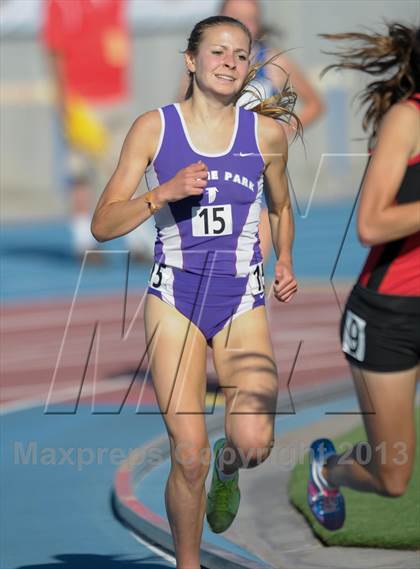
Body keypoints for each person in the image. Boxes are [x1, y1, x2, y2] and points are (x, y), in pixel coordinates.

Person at [92, 15, 298, 568]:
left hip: (241, 299)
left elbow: (280, 207)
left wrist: (283, 258)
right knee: (188, 456)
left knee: (253, 442)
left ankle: (227, 473)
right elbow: (104, 223)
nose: (228, 61)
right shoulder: (154, 128)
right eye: (217, 52)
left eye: (239, 54)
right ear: (191, 61)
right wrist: (163, 191)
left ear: (249, 66)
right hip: (175, 301)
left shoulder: (265, 134)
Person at [307, 23, 420, 531]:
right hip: (389, 316)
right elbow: (372, 225)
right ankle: (327, 469)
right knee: (393, 478)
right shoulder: (407, 119)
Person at [42, 0, 154, 261]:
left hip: (117, 97)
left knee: (126, 166)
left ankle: (135, 237)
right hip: (81, 101)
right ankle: (83, 240)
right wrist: (64, 102)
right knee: (79, 171)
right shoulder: (60, 4)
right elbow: (55, 51)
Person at [219, 0, 324, 260]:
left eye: (250, 18)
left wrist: (281, 131)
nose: (243, 24)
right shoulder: (205, 61)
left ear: (259, 24)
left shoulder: (274, 61)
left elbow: (315, 104)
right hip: (216, 164)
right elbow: (183, 108)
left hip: (259, 168)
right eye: (235, 16)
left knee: (253, 262)